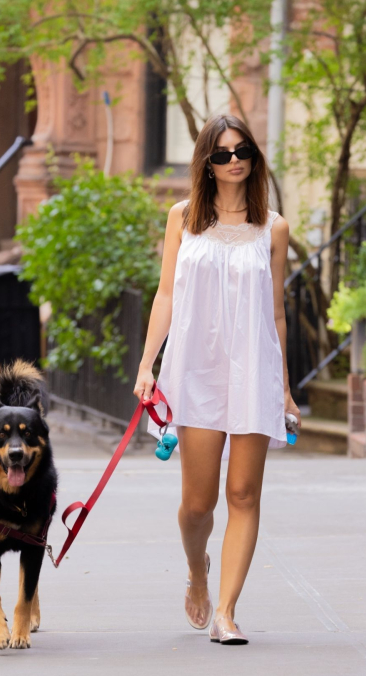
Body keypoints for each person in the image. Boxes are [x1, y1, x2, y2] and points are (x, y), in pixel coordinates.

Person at [133, 113, 301, 645]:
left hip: (254, 370)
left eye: (243, 150)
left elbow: (276, 313)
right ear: (206, 161)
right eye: (223, 153)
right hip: (196, 371)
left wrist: (286, 388)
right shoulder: (182, 218)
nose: (235, 161)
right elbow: (165, 294)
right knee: (198, 503)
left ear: (254, 156)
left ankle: (226, 612)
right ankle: (198, 570)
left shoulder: (273, 227)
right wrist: (147, 365)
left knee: (244, 493)